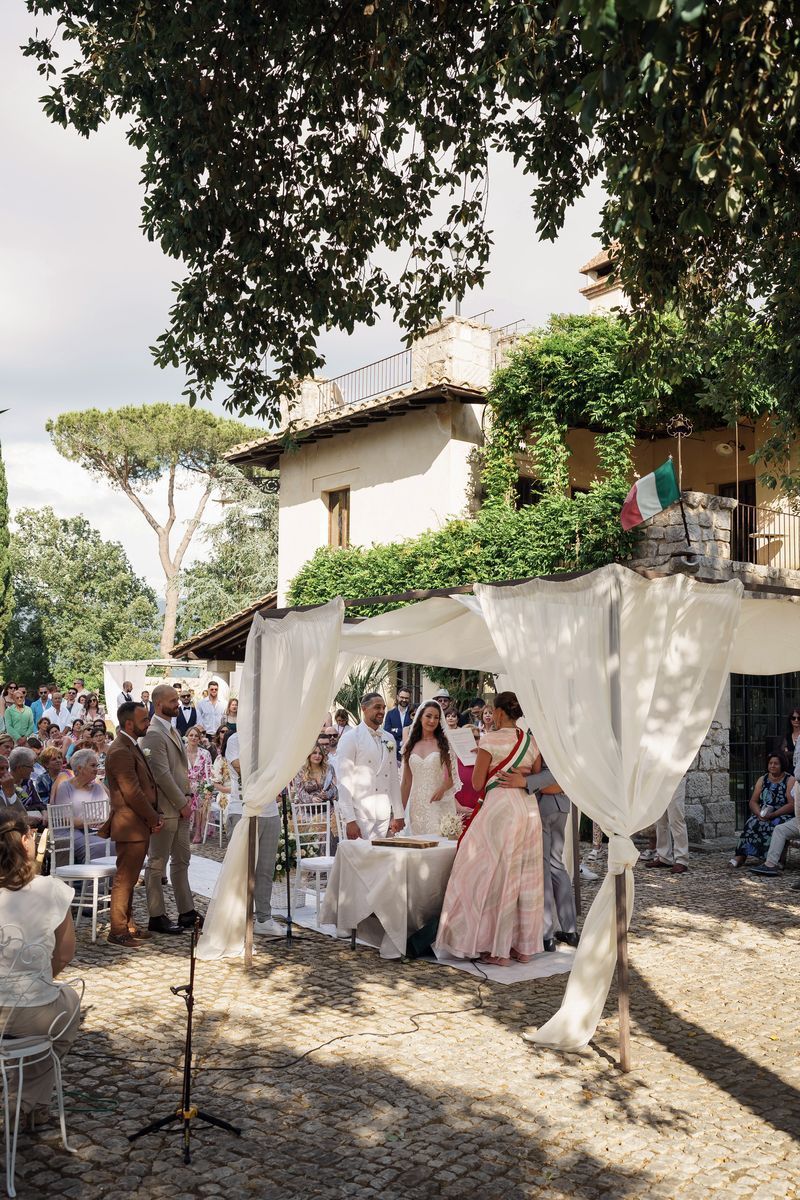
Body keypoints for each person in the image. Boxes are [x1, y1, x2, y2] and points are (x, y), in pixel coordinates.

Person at [434, 692, 544, 966]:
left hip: (500, 810)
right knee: (524, 874)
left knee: (481, 872)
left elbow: (477, 783)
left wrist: (482, 758)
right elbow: (536, 774)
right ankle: (522, 947)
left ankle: (495, 949)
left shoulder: (489, 740)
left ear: (499, 713)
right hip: (528, 809)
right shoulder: (531, 741)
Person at [0, 810, 81, 1124]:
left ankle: (27, 1102)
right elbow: (64, 954)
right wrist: (35, 980)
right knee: (68, 1003)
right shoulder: (51, 889)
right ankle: (27, 1103)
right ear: (24, 841)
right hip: (34, 1011)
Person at [140, 684, 201, 934]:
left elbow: (179, 770)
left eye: (178, 699)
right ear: (159, 704)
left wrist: (187, 798)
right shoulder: (153, 733)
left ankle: (186, 911)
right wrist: (182, 803)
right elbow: (161, 775)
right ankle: (157, 915)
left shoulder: (173, 730)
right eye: (173, 700)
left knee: (182, 860)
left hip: (181, 806)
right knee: (157, 863)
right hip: (166, 809)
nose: (178, 703)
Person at [102, 702, 163, 947]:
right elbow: (132, 791)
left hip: (137, 823)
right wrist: (153, 817)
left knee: (130, 878)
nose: (148, 722)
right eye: (144, 719)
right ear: (129, 724)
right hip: (130, 824)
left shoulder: (130, 745)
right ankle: (118, 930)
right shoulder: (120, 750)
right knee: (124, 879)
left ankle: (128, 924)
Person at [500, 761, 578, 951]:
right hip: (561, 804)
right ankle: (570, 931)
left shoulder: (542, 741)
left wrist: (525, 781)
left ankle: (546, 935)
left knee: (544, 868)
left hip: (543, 806)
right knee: (556, 865)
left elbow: (552, 772)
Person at [225, 731, 283, 937]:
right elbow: (241, 768)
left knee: (265, 870)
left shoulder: (271, 738)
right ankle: (237, 917)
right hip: (242, 810)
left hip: (270, 812)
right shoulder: (235, 739)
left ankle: (263, 918)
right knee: (240, 870)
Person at [335, 692, 405, 840]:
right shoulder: (350, 738)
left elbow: (393, 778)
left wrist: (398, 813)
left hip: (383, 813)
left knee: (379, 854)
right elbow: (344, 781)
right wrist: (350, 819)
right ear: (364, 708)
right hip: (360, 813)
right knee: (359, 854)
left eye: (383, 708)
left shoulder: (389, 738)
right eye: (377, 707)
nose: (382, 711)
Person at [401, 701, 458, 836]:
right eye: (428, 716)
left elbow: (453, 777)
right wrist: (400, 812)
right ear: (420, 717)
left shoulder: (444, 743)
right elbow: (406, 782)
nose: (432, 721)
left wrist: (442, 788)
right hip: (417, 803)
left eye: (436, 717)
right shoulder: (409, 745)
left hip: (438, 801)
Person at [730, 754, 796, 868]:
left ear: (782, 765)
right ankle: (740, 855)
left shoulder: (789, 780)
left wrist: (774, 814)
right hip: (764, 812)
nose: (772, 766)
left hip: (783, 813)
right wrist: (759, 813)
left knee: (775, 824)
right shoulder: (762, 779)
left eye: (776, 764)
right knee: (751, 822)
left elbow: (791, 804)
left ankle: (774, 859)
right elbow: (753, 801)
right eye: (770, 763)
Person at [51, 749, 108, 863]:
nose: (96, 769)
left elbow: (107, 814)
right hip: (70, 831)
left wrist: (101, 824)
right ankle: (91, 874)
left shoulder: (97, 788)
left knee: (117, 842)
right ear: (80, 768)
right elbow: (66, 819)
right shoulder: (65, 787)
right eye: (92, 765)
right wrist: (92, 822)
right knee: (98, 846)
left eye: (97, 766)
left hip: (95, 831)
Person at [645, 783, 690, 875]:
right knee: (660, 820)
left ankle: (681, 860)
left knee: (676, 819)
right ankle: (664, 857)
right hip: (659, 779)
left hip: (676, 778)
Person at [185, 725, 213, 844]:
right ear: (187, 737)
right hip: (184, 784)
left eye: (196, 736)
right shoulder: (181, 752)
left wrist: (206, 788)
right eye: (191, 735)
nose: (193, 737)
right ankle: (185, 830)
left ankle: (198, 832)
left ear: (200, 738)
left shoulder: (205, 753)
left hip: (200, 784)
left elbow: (208, 773)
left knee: (199, 797)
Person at [8, 747, 47, 830]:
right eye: (31, 767)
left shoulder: (27, 783)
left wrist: (44, 813)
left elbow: (38, 802)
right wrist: (24, 819)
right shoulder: (5, 785)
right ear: (20, 768)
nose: (33, 770)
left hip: (34, 826)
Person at [384, 688, 413, 759]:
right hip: (394, 752)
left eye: (406, 698)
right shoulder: (390, 714)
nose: (404, 700)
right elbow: (387, 733)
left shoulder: (414, 713)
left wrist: (395, 730)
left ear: (409, 699)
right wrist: (403, 731)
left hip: (411, 751)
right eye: (402, 697)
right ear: (397, 697)